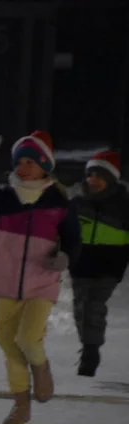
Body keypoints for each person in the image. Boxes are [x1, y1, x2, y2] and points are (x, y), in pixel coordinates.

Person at [0, 131, 82, 424]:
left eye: (31, 161)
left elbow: (73, 241)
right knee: (7, 342)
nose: (23, 167)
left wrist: (65, 258)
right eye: (19, 162)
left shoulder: (59, 202)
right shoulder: (3, 199)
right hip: (6, 281)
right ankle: (20, 403)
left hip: (41, 282)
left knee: (27, 338)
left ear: (45, 165)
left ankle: (40, 367)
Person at [69, 151, 129, 376]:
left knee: (94, 306)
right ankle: (87, 345)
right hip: (80, 264)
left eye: (99, 176)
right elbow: (63, 231)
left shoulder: (123, 206)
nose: (92, 180)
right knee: (80, 307)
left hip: (109, 266)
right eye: (90, 175)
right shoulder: (77, 204)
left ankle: (91, 352)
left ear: (111, 179)